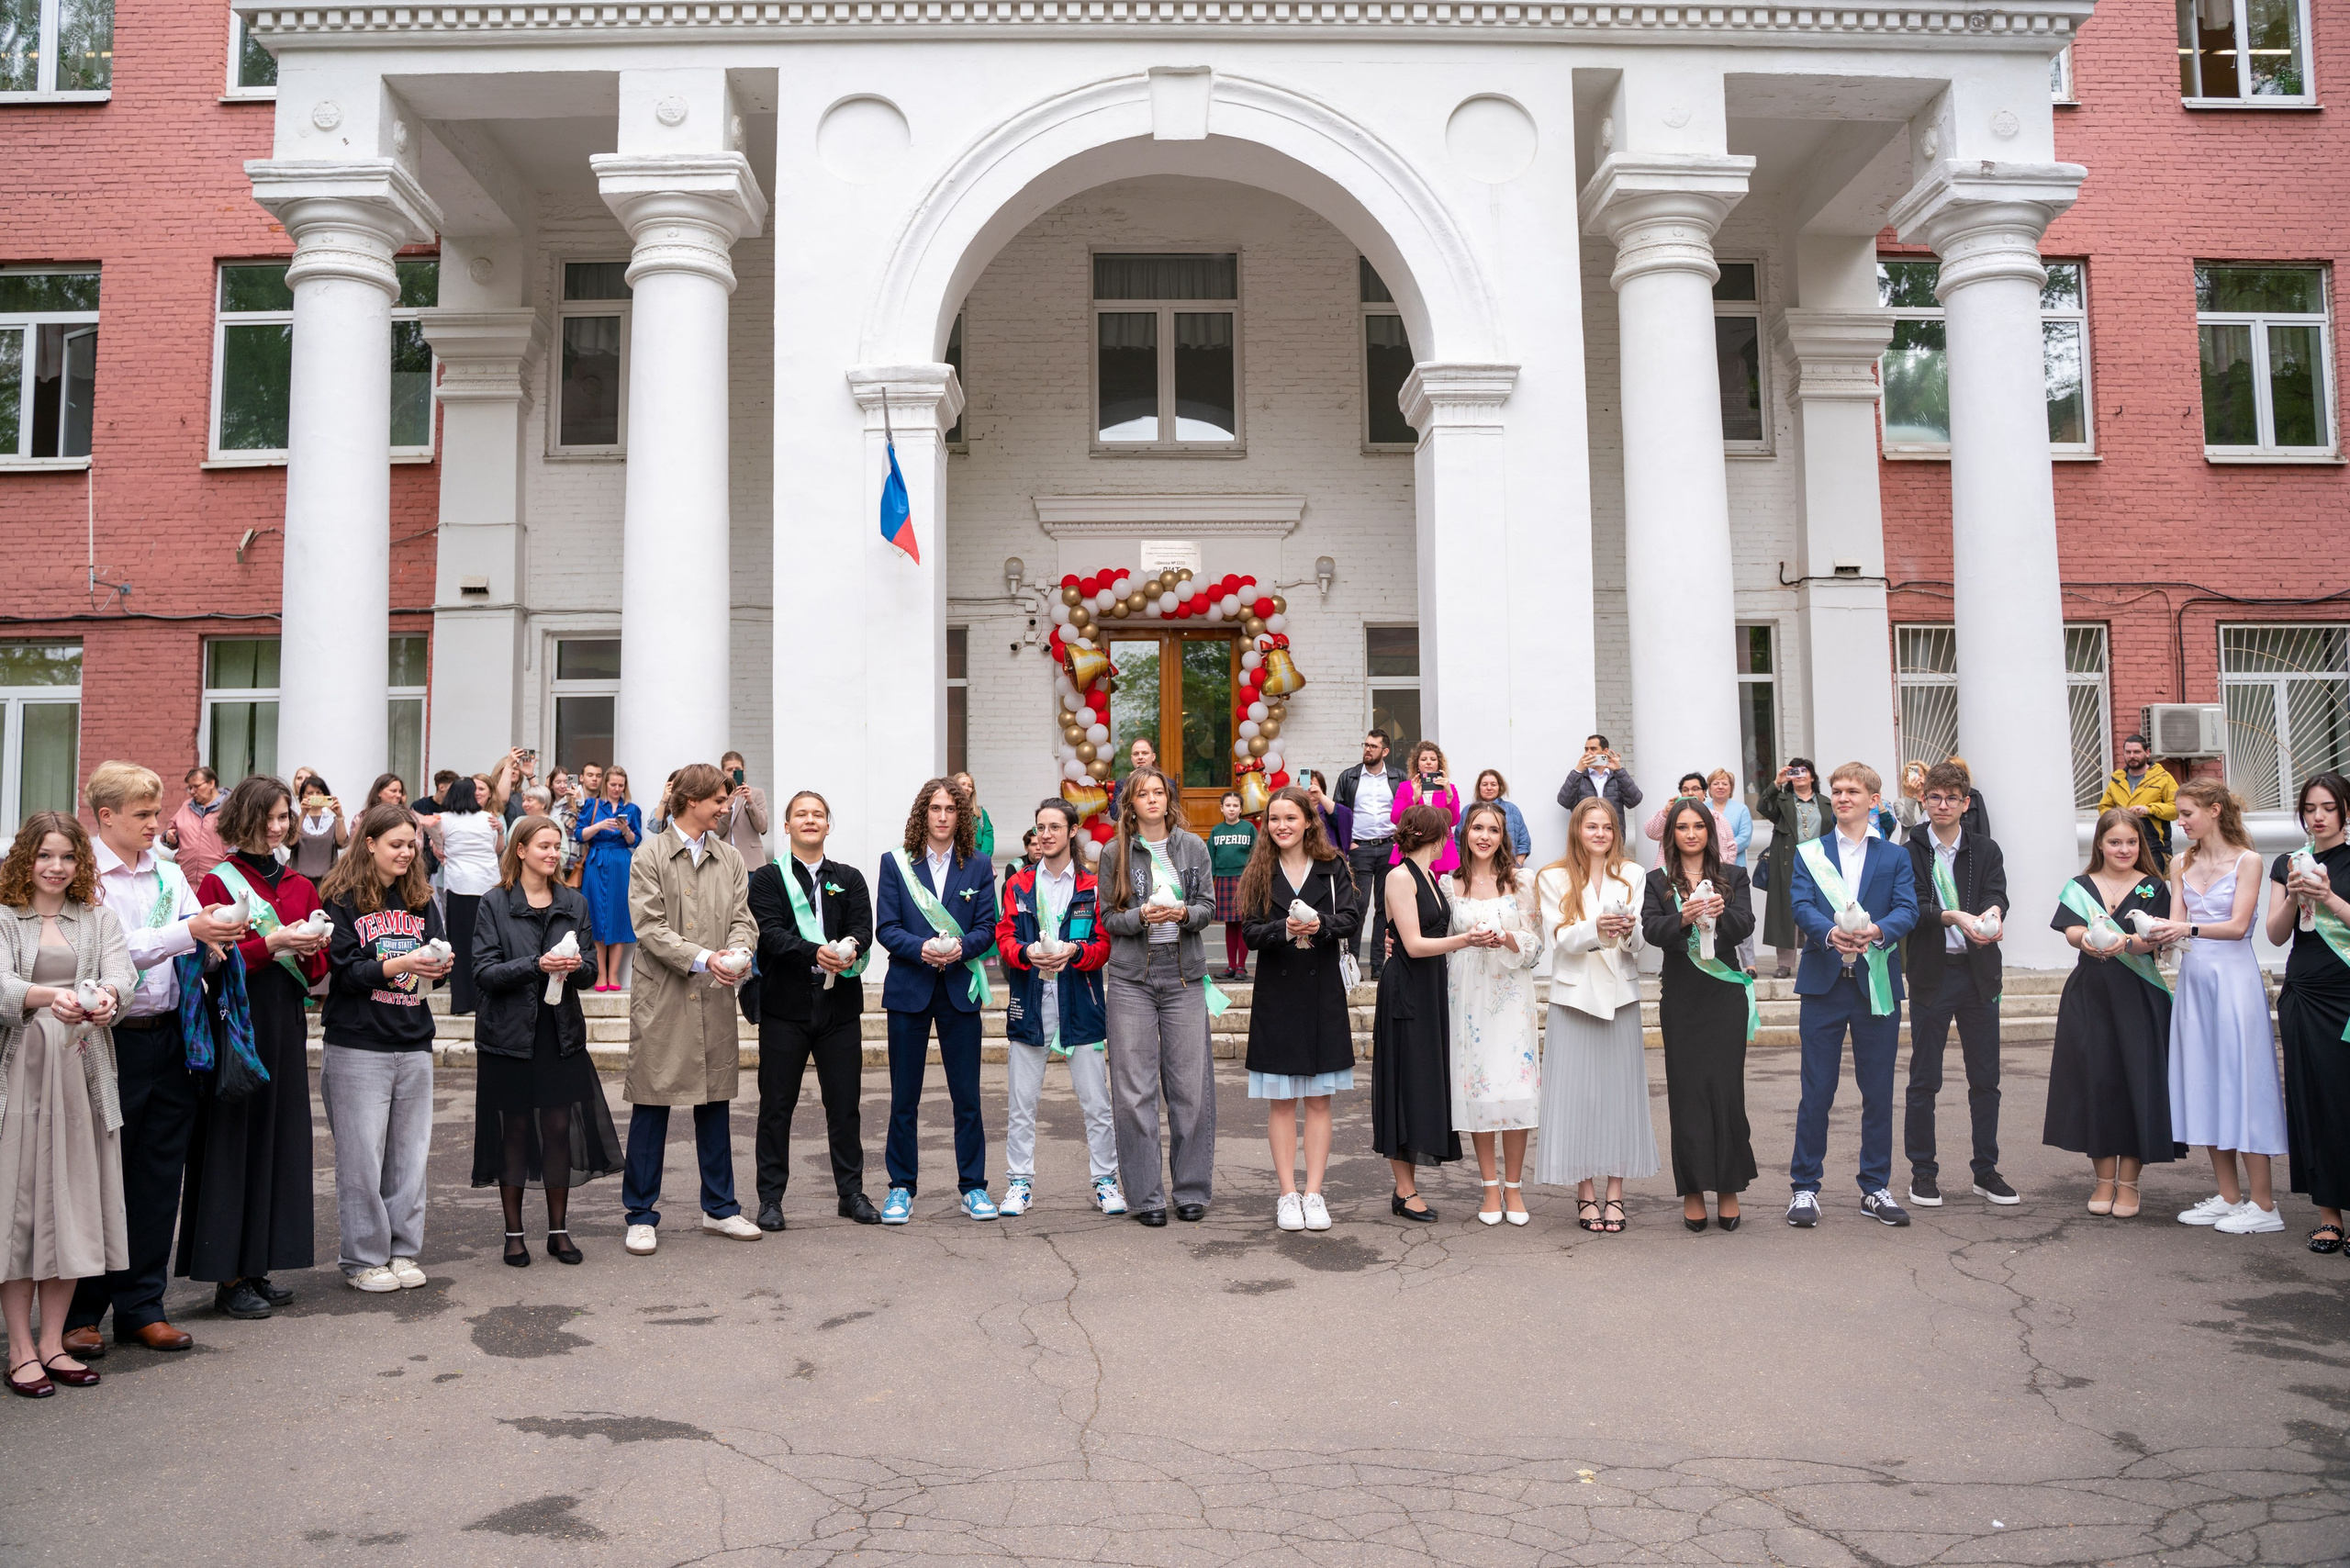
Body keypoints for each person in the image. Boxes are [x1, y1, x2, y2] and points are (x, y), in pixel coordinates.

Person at [62, 764, 247, 1361]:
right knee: (99, 1176)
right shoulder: (83, 877)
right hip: (106, 1042)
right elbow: (109, 953)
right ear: (106, 816)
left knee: (158, 1176)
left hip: (170, 1037)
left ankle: (143, 1306)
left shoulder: (168, 872)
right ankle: (80, 1312)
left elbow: (192, 938)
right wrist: (189, 931)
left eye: (155, 811)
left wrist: (217, 941)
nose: (155, 823)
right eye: (142, 814)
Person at [184, 775, 331, 1318]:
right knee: (235, 1139)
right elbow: (205, 962)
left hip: (285, 1023)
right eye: (267, 817)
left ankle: (258, 1265)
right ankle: (228, 1275)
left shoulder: (300, 885)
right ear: (243, 818)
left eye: (283, 817)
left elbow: (316, 971)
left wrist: (312, 947)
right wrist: (270, 943)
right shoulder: (217, 882)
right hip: (238, 1024)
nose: (277, 827)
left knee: (277, 1139)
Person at [0, 813, 134, 1397]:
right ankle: (19, 1348)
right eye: (44, 855)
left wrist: (109, 998)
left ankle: (52, 1342)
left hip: (83, 1076)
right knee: (18, 1212)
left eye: (68, 857)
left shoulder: (99, 918)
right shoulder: (4, 916)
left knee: (72, 1207)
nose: (56, 868)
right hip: (19, 1077)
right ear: (24, 858)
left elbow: (122, 976)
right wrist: (47, 996)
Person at [620, 763, 760, 1256]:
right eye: (719, 800)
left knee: (715, 1103)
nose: (725, 808)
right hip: (664, 995)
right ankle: (640, 1214)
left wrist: (738, 951)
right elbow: (649, 926)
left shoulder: (730, 856)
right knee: (652, 1102)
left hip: (715, 993)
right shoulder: (650, 853)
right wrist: (705, 958)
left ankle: (719, 1208)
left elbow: (743, 917)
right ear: (692, 800)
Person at [317, 803, 454, 1293]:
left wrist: (439, 965)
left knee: (409, 1159)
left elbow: (436, 963)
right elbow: (346, 972)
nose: (406, 852)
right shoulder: (340, 898)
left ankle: (402, 1252)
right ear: (369, 844)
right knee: (361, 1160)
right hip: (358, 1043)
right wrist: (404, 963)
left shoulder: (422, 898)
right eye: (395, 844)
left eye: (410, 844)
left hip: (413, 1039)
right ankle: (362, 1259)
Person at [470, 812, 618, 1265]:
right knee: (514, 1130)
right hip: (508, 1036)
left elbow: (590, 971)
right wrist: (537, 965)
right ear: (520, 851)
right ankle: (513, 1234)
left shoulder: (574, 902)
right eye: (544, 846)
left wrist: (576, 967)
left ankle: (558, 1231)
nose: (554, 854)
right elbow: (484, 972)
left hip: (560, 1033)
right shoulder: (494, 902)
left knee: (557, 1129)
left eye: (558, 847)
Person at [1785, 762, 1920, 1230]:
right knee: (1816, 1091)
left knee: (1878, 1092)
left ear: (1873, 800)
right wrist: (1829, 934)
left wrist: (1878, 931)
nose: (1843, 798)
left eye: (1853, 791)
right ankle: (1804, 1188)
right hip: (1823, 984)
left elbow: (1908, 908)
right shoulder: (1811, 852)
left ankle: (1875, 1187)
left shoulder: (1895, 856)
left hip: (1875, 983)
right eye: (1837, 791)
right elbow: (1801, 904)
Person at [2152, 779, 2288, 1236]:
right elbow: (2174, 924)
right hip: (2195, 980)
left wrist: (2183, 930)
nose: (2180, 822)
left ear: (2214, 810)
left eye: (2187, 813)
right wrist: (2154, 933)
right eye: (2178, 814)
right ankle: (2230, 1197)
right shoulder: (2180, 863)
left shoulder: (2249, 861)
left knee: (2243, 1081)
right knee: (2205, 1082)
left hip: (2234, 981)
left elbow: (2238, 926)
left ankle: (2264, 1205)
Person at [745, 790, 880, 1230]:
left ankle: (851, 1193)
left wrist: (852, 946)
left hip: (839, 1008)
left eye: (818, 814)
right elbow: (769, 933)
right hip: (785, 1007)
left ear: (827, 825)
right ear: (787, 826)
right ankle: (770, 1199)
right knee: (776, 1106)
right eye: (801, 814)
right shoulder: (767, 879)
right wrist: (813, 952)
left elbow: (863, 928)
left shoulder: (849, 877)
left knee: (844, 1105)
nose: (810, 820)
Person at [874, 777, 1001, 1224]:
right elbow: (886, 927)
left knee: (967, 1097)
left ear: (961, 815)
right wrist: (923, 949)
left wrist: (959, 949)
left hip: (959, 991)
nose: (943, 816)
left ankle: (974, 1187)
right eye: (935, 808)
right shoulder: (896, 863)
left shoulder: (978, 865)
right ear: (922, 814)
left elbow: (988, 927)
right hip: (909, 988)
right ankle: (900, 1188)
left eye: (951, 809)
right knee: (903, 1098)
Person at [1097, 765, 1216, 1226]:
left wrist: (1183, 913)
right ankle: (1146, 1196)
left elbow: (1208, 907)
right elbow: (1109, 918)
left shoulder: (1194, 847)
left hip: (1184, 976)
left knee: (1190, 1089)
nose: (1152, 799)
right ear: (1130, 804)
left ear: (1169, 800)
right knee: (1133, 1092)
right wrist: (1141, 918)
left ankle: (1191, 1190)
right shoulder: (1114, 852)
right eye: (1143, 793)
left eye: (1159, 792)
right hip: (1132, 979)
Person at [1239, 787, 1361, 1231]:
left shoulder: (1332, 866)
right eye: (1274, 819)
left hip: (1322, 992)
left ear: (1309, 821)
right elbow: (1250, 933)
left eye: (1290, 817)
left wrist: (1319, 924)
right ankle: (1287, 1194)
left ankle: (1314, 1193)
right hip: (1277, 994)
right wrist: (1285, 930)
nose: (1282, 826)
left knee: (1319, 1101)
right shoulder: (1259, 869)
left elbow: (1351, 918)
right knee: (1281, 1103)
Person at [995, 798, 1123, 1219]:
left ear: (1072, 831)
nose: (1046, 834)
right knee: (1022, 1103)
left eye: (1054, 827)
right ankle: (1019, 1183)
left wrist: (1075, 952)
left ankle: (1105, 1181)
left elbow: (1103, 946)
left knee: (1096, 1103)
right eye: (1040, 827)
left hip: (1080, 1003)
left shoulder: (1092, 885)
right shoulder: (1018, 884)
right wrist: (1026, 953)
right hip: (1030, 1002)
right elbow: (1005, 939)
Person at [2047, 809, 2176, 1218]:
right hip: (2090, 996)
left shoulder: (2155, 886)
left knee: (2137, 1082)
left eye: (2131, 842)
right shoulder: (2080, 886)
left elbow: (2154, 940)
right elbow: (2070, 929)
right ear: (2100, 844)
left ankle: (2130, 1184)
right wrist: (2085, 938)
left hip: (2139, 995)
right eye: (2115, 842)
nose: (2124, 849)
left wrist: (2127, 944)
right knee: (2096, 1082)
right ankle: (2104, 1181)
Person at [1534, 796, 1654, 1232]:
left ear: (1615, 832)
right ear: (1577, 830)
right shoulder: (1552, 876)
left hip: (1621, 996)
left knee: (1620, 1097)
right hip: (1574, 998)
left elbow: (1638, 943)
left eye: (1607, 826)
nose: (1600, 833)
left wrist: (1629, 932)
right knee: (1578, 1098)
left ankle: (1616, 1193)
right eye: (1591, 826)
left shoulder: (1633, 873)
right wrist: (1598, 927)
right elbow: (1560, 939)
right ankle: (1585, 1193)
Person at [1901, 762, 2016, 1210]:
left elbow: (1997, 893)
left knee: (1985, 1079)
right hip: (1932, 974)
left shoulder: (1985, 848)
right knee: (1924, 1079)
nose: (1943, 805)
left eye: (1952, 798)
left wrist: (1993, 913)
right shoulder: (1909, 850)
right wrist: (1951, 916)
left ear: (1966, 803)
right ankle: (1923, 1172)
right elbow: (1911, 906)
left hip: (1979, 973)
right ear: (1924, 800)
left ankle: (1986, 1170)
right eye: (1935, 797)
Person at [1641, 797, 1758, 1231]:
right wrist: (1683, 918)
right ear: (1671, 834)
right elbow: (1651, 930)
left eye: (1698, 826)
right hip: (1682, 999)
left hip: (1724, 995)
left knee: (1726, 1093)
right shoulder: (1657, 881)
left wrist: (1721, 914)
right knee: (1687, 1095)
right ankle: (1692, 1191)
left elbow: (1746, 924)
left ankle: (1728, 1188)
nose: (1690, 834)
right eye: (1682, 827)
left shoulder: (1733, 876)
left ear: (1710, 831)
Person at [1448, 801, 1542, 1226]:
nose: (1484, 836)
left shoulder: (1521, 881)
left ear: (1503, 837)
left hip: (1511, 991)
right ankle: (1489, 1187)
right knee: (1479, 1089)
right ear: (1465, 833)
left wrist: (1506, 938)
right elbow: (1441, 940)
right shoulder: (1449, 884)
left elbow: (1536, 945)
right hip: (1467, 993)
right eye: (1477, 828)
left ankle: (1514, 1187)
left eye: (1493, 830)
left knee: (1514, 1086)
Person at [1372, 803, 1466, 1220]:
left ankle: (1408, 1187)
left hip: (1429, 987)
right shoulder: (1399, 876)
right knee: (1403, 1084)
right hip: (1407, 989)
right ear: (1437, 836)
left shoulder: (1430, 876)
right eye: (1446, 832)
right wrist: (1466, 940)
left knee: (1421, 1082)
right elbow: (1412, 944)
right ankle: (1404, 1190)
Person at [2270, 772, 2350, 1256]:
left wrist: (2329, 898)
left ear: (2345, 812)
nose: (2318, 817)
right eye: (2309, 808)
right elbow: (2277, 934)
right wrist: (2295, 897)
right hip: (2304, 991)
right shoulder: (2288, 863)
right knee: (2313, 1099)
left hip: (2346, 992)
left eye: (2328, 808)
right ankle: (2328, 1216)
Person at [1332, 730, 1400, 978]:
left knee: (1384, 907)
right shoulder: (1349, 776)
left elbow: (1405, 809)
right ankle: (1351, 965)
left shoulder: (1398, 776)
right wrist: (1347, 843)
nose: (1368, 749)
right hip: (1359, 849)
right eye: (1366, 745)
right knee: (1358, 907)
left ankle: (1378, 965)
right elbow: (1337, 813)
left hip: (1389, 847)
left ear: (1385, 751)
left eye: (1373, 746)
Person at [434, 777, 502, 1017]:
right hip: (487, 885)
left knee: (461, 945)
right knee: (488, 942)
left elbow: (438, 847)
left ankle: (463, 1001)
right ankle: (489, 997)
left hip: (459, 886)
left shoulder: (443, 819)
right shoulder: (488, 818)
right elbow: (497, 848)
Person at [1756, 756, 1829, 980]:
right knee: (1785, 911)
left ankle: (1815, 959)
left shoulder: (1826, 802)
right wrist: (1777, 782)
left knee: (1818, 909)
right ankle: (1785, 964)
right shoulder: (1782, 800)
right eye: (1794, 772)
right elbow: (1762, 807)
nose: (1799, 775)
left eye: (1803, 770)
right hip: (1788, 861)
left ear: (1812, 776)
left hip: (1819, 862)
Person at [577, 766, 640, 991]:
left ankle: (613, 975)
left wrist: (625, 830)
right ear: (606, 784)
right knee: (595, 915)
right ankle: (601, 974)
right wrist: (599, 825)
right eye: (613, 784)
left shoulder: (632, 809)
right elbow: (580, 834)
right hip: (596, 861)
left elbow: (635, 841)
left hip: (620, 862)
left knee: (618, 915)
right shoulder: (592, 805)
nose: (616, 789)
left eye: (621, 785)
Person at [2098, 734, 2178, 876]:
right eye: (2128, 752)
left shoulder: (2163, 777)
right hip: (2123, 844)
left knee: (2152, 886)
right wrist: (2117, 816)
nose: (2132, 756)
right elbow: (2104, 807)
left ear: (2147, 753)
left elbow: (2176, 809)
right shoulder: (2117, 779)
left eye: (2136, 752)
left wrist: (2149, 809)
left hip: (2153, 846)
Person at [1206, 790, 1259, 980]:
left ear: (1241, 809)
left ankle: (1241, 967)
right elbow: (1210, 857)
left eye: (1235, 806)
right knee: (1230, 924)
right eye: (1228, 805)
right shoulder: (1216, 831)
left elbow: (1257, 854)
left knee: (1243, 922)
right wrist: (1210, 880)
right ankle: (1231, 966)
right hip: (1223, 879)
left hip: (1243, 879)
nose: (1231, 809)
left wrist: (1253, 878)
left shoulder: (1249, 828)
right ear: (1221, 808)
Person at [1391, 741, 1462, 879]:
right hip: (1412, 846)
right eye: (1424, 759)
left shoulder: (1449, 788)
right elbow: (1395, 818)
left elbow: (1453, 821)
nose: (1428, 762)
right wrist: (1414, 798)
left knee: (1436, 888)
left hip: (1439, 848)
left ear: (1439, 763)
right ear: (1417, 764)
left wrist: (1449, 794)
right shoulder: (1405, 787)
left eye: (1433, 759)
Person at [1555, 734, 1643, 834]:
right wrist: (1578, 771)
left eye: (1593, 749)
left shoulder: (1616, 776)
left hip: (1613, 834)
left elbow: (1634, 800)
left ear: (1605, 751)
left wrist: (1619, 771)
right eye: (1586, 749)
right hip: (1585, 835)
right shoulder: (1579, 776)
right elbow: (1564, 801)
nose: (1588, 753)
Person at [1643, 772, 1736, 860]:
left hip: (1712, 869)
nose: (1690, 793)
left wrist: (1722, 868)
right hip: (1672, 868)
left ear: (1704, 792)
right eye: (1685, 790)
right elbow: (1651, 833)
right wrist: (1666, 813)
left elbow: (1731, 846)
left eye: (1695, 789)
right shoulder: (1672, 815)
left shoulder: (1717, 817)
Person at [162, 766, 228, 885]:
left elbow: (241, 839)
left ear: (211, 783)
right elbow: (172, 831)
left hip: (218, 881)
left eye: (196, 787)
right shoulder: (186, 807)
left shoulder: (230, 808)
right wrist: (170, 837)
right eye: (190, 788)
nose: (192, 792)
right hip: (185, 881)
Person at [289, 775, 348, 881]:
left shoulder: (332, 820)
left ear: (325, 795)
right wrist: (302, 814)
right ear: (303, 795)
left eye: (319, 792)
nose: (315, 796)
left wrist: (339, 816)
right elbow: (291, 842)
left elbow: (342, 843)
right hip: (300, 880)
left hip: (327, 881)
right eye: (310, 793)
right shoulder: (297, 819)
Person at [719, 751, 769, 865]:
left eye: (737, 769)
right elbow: (719, 830)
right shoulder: (719, 797)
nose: (733, 773)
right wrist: (728, 805)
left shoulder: (756, 793)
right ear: (722, 772)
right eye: (729, 769)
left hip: (751, 860)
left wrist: (750, 802)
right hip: (726, 860)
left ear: (743, 770)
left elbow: (762, 827)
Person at [1472, 769, 1532, 865]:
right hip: (1475, 869)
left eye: (1493, 784)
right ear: (1479, 787)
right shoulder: (1468, 810)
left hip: (1508, 868)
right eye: (1484, 784)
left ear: (1499, 787)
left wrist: (1517, 865)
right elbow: (1459, 842)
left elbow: (1524, 841)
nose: (1489, 788)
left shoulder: (1512, 809)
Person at [1305, 771, 1353, 872]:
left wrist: (1320, 796)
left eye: (1313, 785)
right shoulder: (1295, 810)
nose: (1309, 789)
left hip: (1326, 860)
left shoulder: (1327, 810)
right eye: (1306, 785)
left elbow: (1344, 816)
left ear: (1322, 788)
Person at [950, 771, 995, 861]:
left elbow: (988, 838)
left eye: (970, 786)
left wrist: (981, 860)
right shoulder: (948, 811)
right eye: (962, 784)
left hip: (977, 861)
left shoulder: (981, 814)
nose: (966, 788)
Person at [1892, 762, 1929, 834]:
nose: (1917, 779)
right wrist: (1909, 794)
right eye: (1913, 776)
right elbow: (1908, 823)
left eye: (1920, 775)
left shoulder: (1932, 799)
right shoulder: (1899, 802)